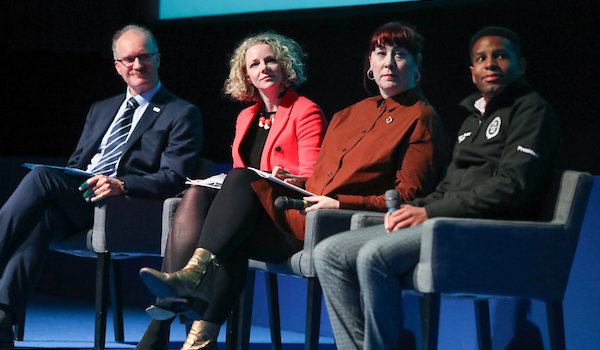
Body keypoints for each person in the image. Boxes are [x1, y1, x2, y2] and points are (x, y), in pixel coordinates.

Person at [139, 22, 449, 350]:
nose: (388, 63)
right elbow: (322, 176)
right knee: (219, 216)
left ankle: (189, 285)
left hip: (331, 222)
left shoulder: (421, 117)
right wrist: (298, 181)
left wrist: (338, 203)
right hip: (300, 211)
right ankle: (199, 338)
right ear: (369, 65)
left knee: (240, 184)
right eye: (380, 54)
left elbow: (409, 197)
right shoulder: (349, 114)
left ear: (415, 64)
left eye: (399, 55)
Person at [313, 26, 563, 350]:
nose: (490, 63)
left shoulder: (533, 112)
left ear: (521, 66)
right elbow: (449, 187)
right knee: (328, 254)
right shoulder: (473, 120)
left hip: (485, 230)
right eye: (481, 58)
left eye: (501, 56)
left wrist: (429, 211)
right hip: (447, 221)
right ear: (472, 72)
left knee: (373, 257)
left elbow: (510, 187)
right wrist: (414, 209)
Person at [0, 24, 203, 348]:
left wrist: (122, 183)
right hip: (82, 197)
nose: (137, 65)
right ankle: (2, 319)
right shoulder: (102, 109)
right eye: (129, 59)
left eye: (144, 56)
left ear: (158, 58)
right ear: (117, 66)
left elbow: (174, 177)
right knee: (41, 219)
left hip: (125, 206)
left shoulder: (182, 113)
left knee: (40, 175)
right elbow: (76, 163)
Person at [134, 32, 328, 350]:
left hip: (285, 220)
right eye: (254, 63)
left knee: (238, 179)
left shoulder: (305, 111)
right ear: (245, 74)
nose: (263, 67)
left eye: (271, 60)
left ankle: (165, 318)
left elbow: (314, 177)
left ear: (285, 66)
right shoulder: (245, 117)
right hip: (250, 218)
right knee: (197, 194)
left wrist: (290, 178)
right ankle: (198, 335)